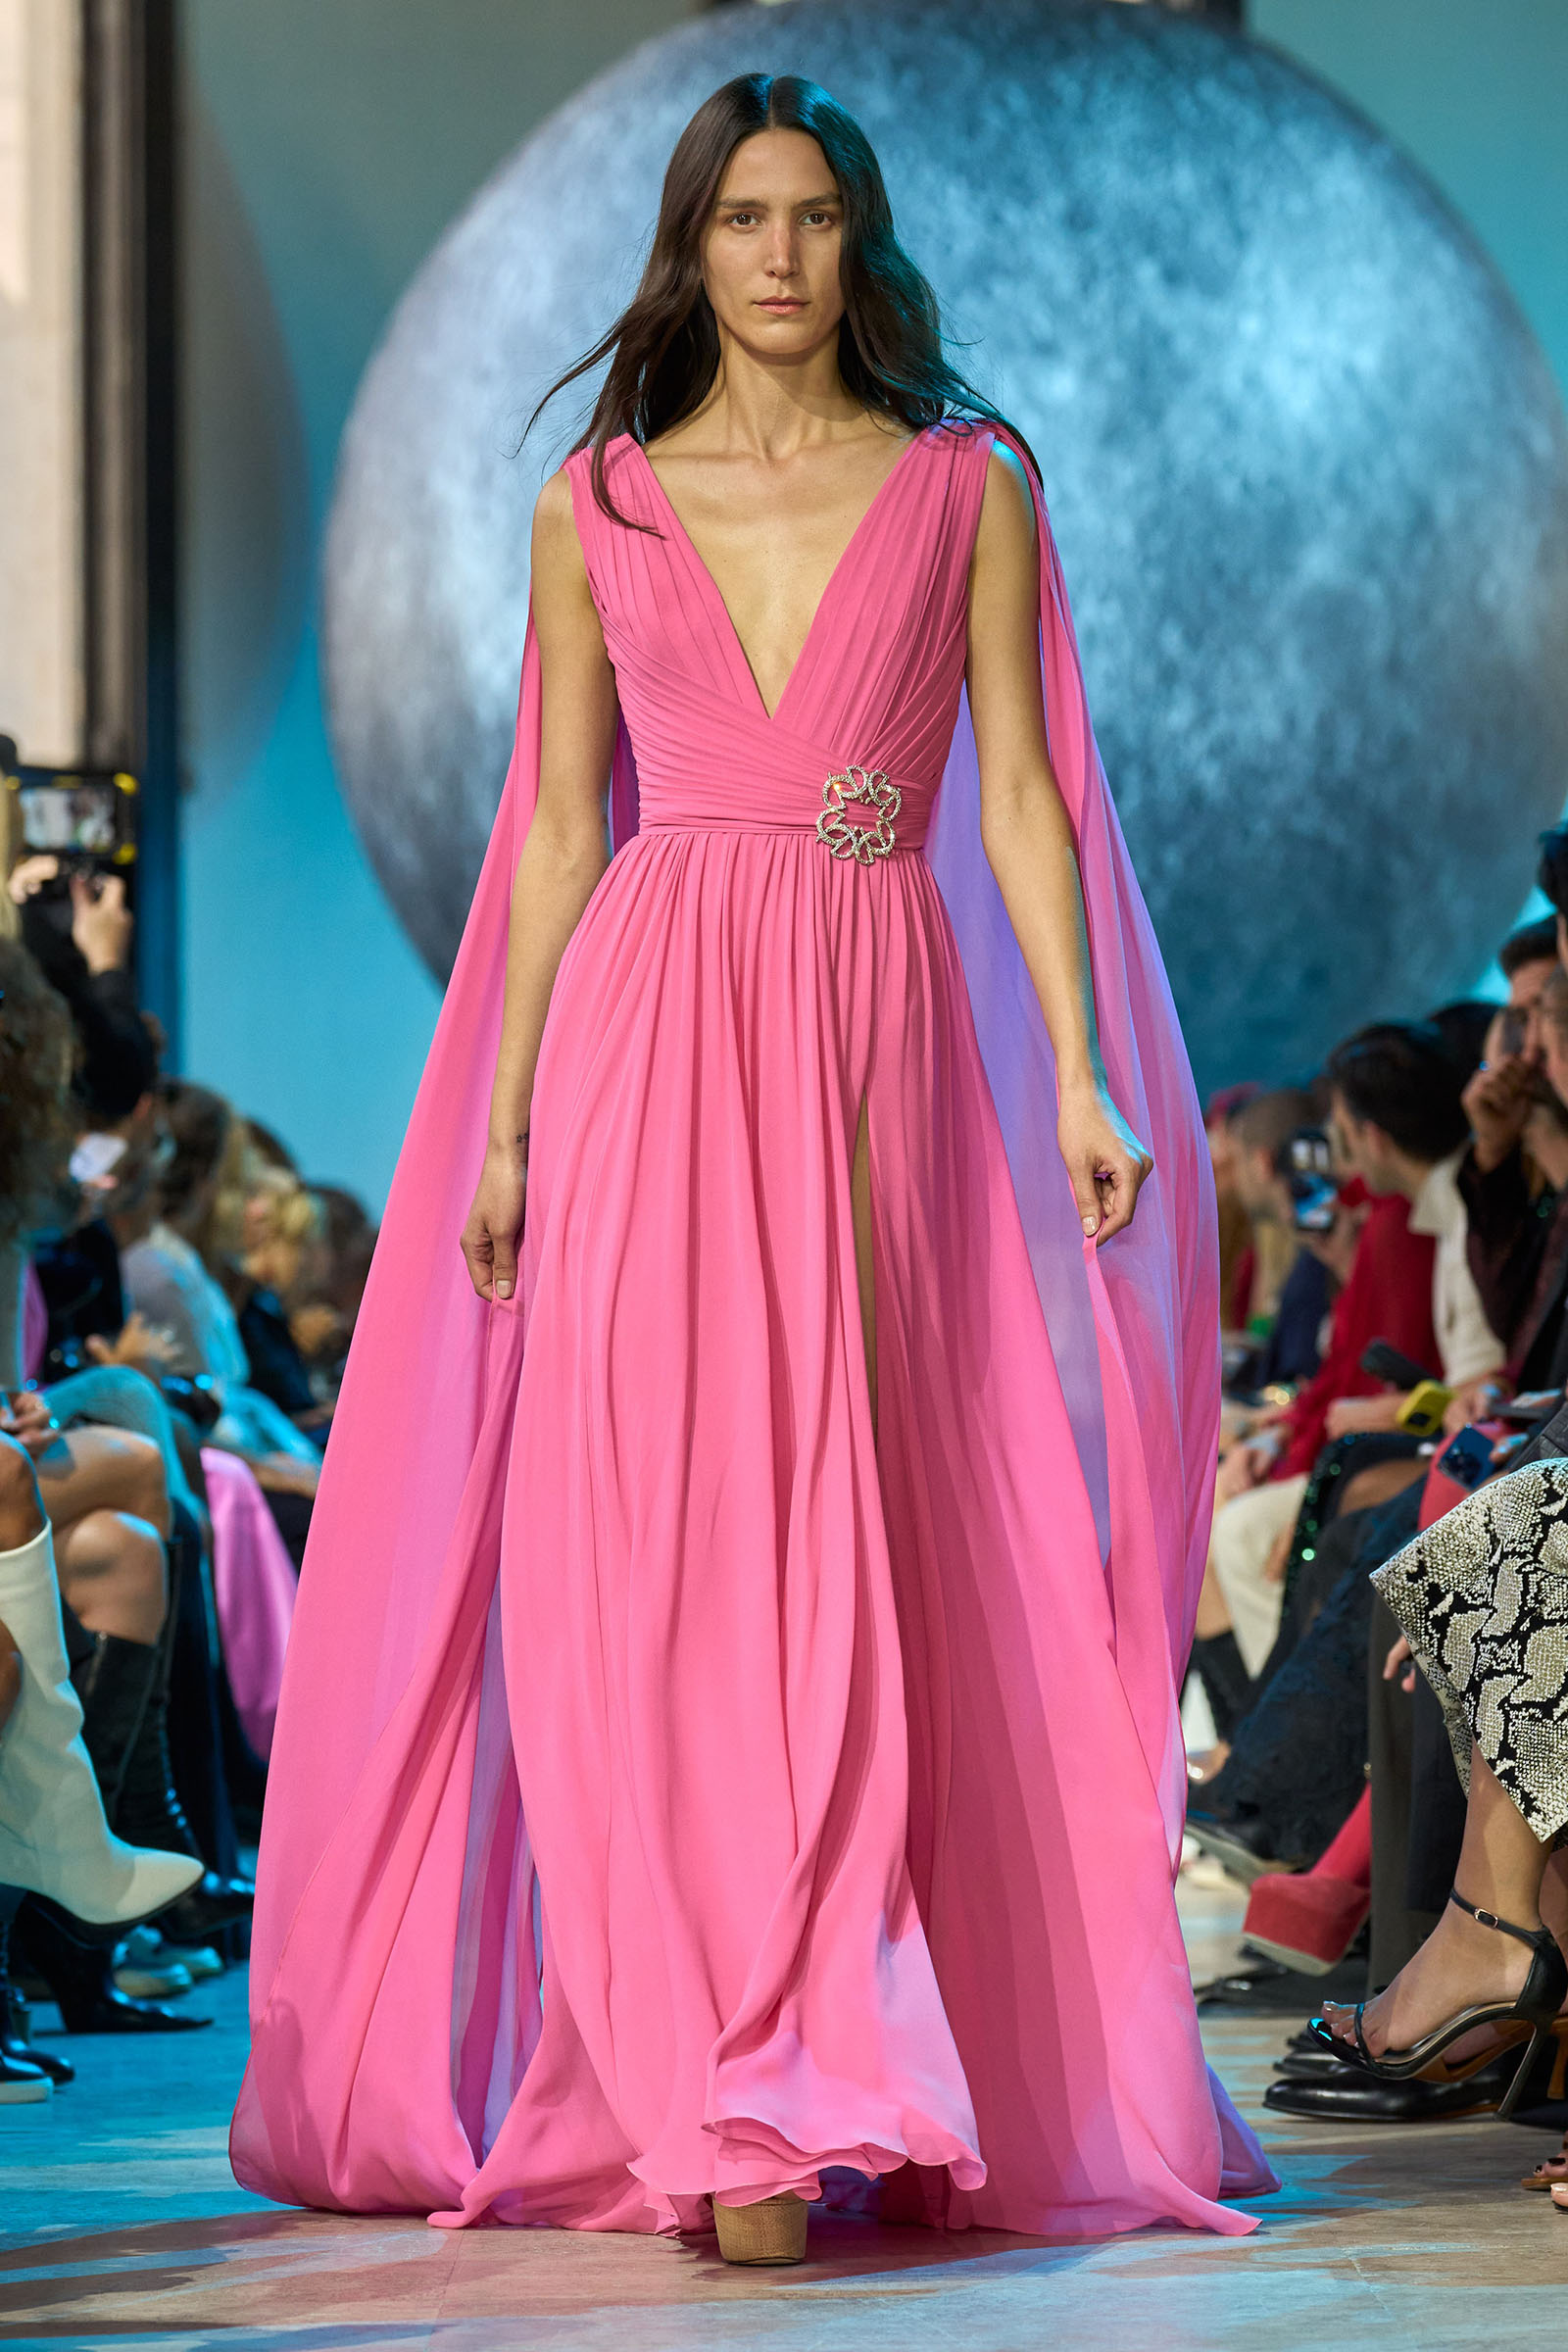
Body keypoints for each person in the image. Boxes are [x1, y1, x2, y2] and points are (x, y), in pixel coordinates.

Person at [233, 74, 1274, 2258]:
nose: (779, 256)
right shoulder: (595, 506)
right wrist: (504, 1127)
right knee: (671, 1555)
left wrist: (1081, 1076)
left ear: (856, 242)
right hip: (651, 1029)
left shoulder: (969, 485)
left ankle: (827, 2056)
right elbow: (554, 837)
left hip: (881, 1037)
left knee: (868, 1540)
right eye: (740, 218)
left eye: (811, 217)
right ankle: (723, 2070)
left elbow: (1025, 799)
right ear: (690, 248)